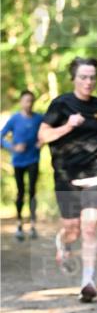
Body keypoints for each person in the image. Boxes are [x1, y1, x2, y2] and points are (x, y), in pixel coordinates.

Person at [37, 57, 97, 303]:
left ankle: (88, 281)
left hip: (96, 172)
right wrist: (67, 125)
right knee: (73, 230)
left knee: (89, 227)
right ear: (74, 78)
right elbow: (43, 136)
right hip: (66, 176)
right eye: (83, 77)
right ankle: (63, 243)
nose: (88, 82)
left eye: (92, 78)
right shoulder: (61, 104)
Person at [1, 90, 43, 241]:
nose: (29, 103)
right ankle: (19, 224)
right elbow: (1, 137)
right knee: (20, 192)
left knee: (32, 192)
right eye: (26, 100)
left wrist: (42, 141)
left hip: (33, 160)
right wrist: (12, 147)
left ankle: (32, 225)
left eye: (31, 101)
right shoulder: (14, 119)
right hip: (18, 161)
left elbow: (47, 130)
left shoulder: (39, 118)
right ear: (21, 102)